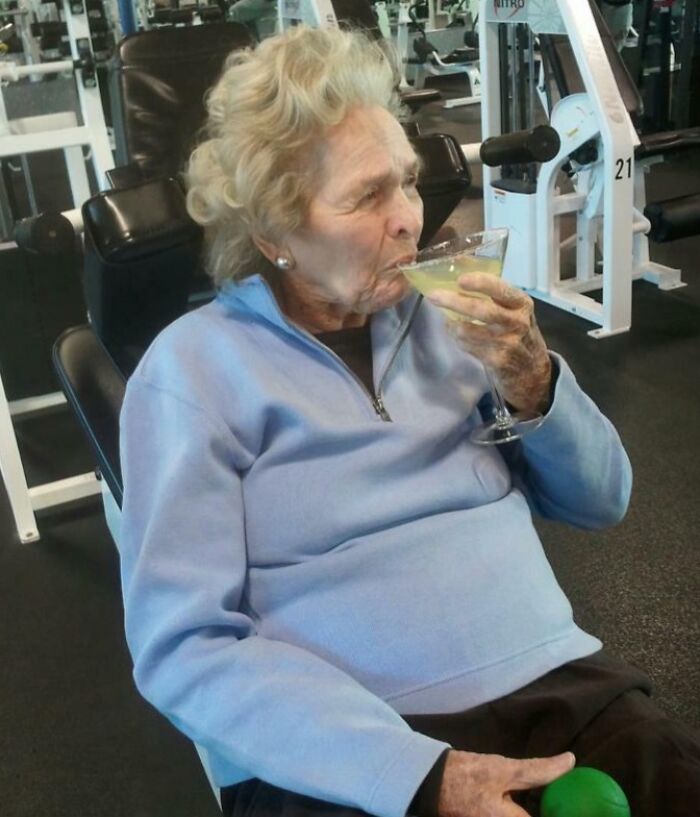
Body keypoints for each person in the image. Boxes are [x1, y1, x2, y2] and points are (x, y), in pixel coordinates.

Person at [117, 25, 700, 817]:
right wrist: (417, 776)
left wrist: (534, 380)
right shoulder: (192, 372)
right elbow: (182, 648)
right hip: (352, 741)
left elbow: (605, 500)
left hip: (561, 691)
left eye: (408, 183)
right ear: (275, 234)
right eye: (366, 196)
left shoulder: (453, 314)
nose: (410, 221)